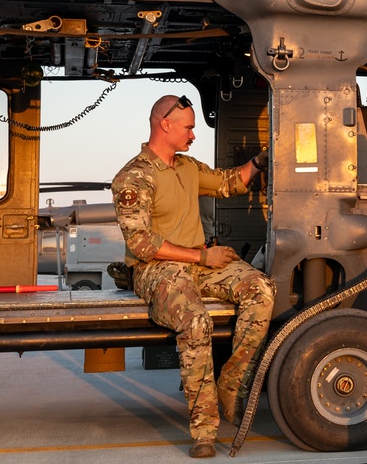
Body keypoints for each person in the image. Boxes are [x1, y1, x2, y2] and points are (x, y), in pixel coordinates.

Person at [112, 94, 275, 459]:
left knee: (261, 288)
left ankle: (232, 385)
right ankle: (204, 430)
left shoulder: (187, 167)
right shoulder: (134, 176)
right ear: (164, 124)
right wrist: (202, 254)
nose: (193, 135)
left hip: (197, 264)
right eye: (188, 128)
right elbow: (140, 243)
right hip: (155, 269)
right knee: (196, 321)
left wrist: (261, 160)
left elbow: (230, 182)